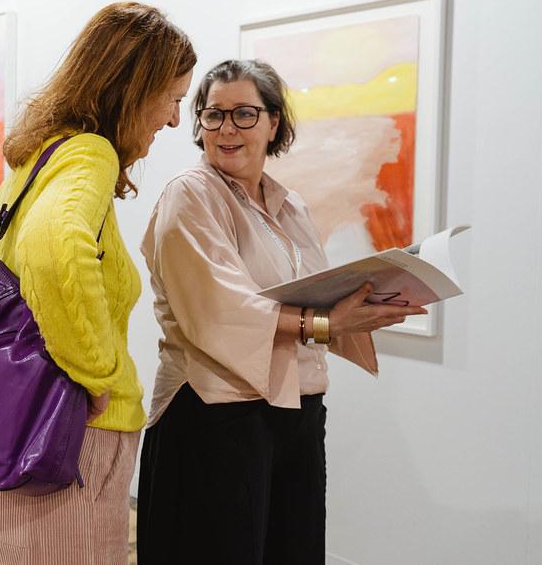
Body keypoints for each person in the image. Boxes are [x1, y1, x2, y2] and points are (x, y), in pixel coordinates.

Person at [0, 2, 196, 565]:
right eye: (172, 98)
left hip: (6, 422)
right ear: (134, 89)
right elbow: (55, 249)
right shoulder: (91, 154)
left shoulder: (43, 152)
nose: (175, 119)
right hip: (61, 429)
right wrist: (96, 371)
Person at [136, 59, 427, 564]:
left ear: (273, 123)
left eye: (244, 114)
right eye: (213, 114)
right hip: (215, 413)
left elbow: (311, 292)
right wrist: (326, 323)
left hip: (296, 411)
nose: (227, 128)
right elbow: (219, 308)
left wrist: (369, 297)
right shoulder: (191, 194)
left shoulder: (291, 206)